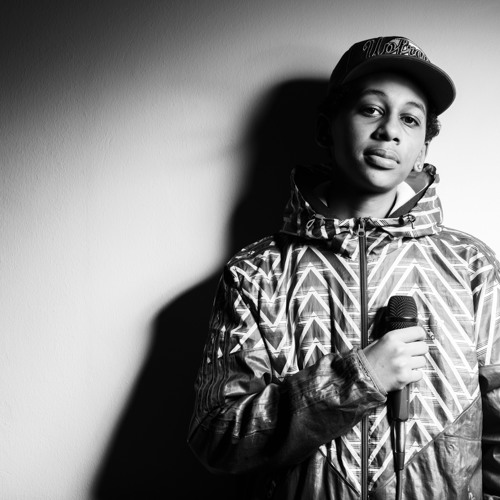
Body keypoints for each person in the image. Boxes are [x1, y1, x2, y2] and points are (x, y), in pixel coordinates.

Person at [187, 35, 500, 499]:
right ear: (325, 128)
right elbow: (218, 436)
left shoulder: (471, 266)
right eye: (371, 109)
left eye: (410, 119)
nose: (389, 131)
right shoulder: (256, 274)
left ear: (422, 149)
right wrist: (358, 378)